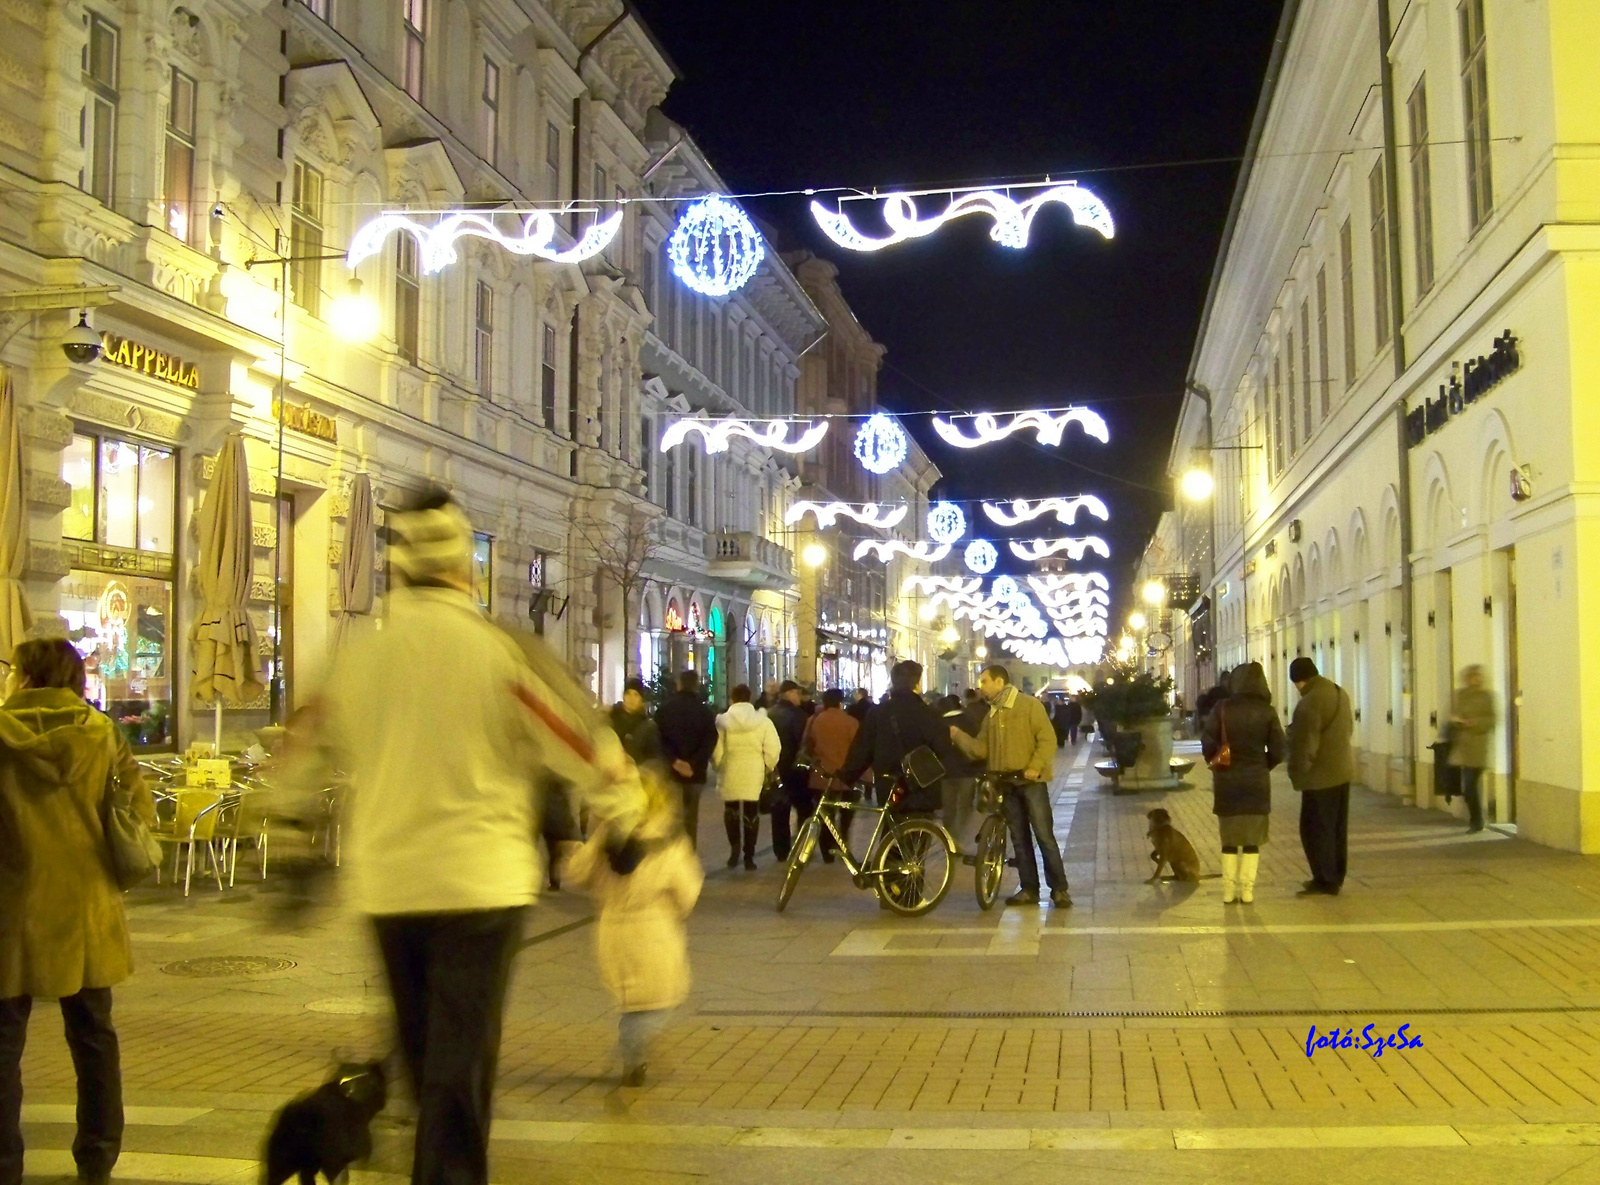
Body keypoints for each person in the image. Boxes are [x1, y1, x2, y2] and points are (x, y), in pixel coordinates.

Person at [308, 489, 644, 1185]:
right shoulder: (499, 655)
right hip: (479, 883)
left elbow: (299, 743)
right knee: (459, 1060)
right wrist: (626, 817)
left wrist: (284, 837)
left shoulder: (359, 659)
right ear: (466, 566)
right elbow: (581, 742)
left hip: (389, 884)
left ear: (398, 569)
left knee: (425, 1049)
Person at [1, 638, 152, 1185]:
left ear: (24, 675)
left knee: (3, 1046)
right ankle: (97, 1158)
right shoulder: (102, 734)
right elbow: (137, 808)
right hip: (87, 909)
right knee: (93, 1038)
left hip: (11, 910)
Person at [566, 770, 703, 1088]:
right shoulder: (669, 842)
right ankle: (631, 1050)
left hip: (612, 927)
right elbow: (687, 893)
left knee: (633, 999)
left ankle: (633, 1052)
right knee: (658, 1000)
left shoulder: (605, 836)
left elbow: (578, 874)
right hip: (653, 928)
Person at [949, 664, 1069, 908]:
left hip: (1030, 782)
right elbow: (982, 749)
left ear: (999, 682)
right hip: (1005, 782)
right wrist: (957, 736)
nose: (980, 687)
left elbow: (1047, 739)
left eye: (984, 681)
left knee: (1044, 835)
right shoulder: (992, 714)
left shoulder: (1028, 705)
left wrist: (1035, 766)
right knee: (1019, 838)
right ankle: (1029, 889)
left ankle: (1059, 890)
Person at [1201, 662, 1286, 904]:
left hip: (1227, 782)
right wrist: (1261, 765)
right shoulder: (1267, 711)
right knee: (1252, 840)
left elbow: (1207, 740)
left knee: (1228, 839)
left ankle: (1228, 891)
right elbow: (1279, 749)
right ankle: (1247, 891)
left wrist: (1217, 763)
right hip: (1256, 783)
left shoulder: (1222, 708)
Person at [839, 661, 951, 815]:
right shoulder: (928, 713)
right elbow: (942, 748)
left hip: (889, 784)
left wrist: (848, 775)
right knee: (919, 828)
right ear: (917, 684)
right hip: (921, 784)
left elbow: (863, 749)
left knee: (891, 829)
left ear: (893, 682)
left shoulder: (877, 713)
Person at [1287, 656, 1355, 897]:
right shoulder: (1339, 693)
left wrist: (1297, 773)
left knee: (1315, 829)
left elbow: (1305, 744)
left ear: (1299, 681)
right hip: (1343, 771)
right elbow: (1349, 728)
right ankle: (1335, 875)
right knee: (1337, 828)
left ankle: (1324, 879)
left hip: (1320, 777)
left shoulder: (1309, 703)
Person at [712, 684, 781, 869]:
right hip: (754, 770)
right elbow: (774, 748)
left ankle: (734, 851)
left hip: (730, 769)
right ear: (749, 698)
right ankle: (749, 855)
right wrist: (768, 765)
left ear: (732, 699)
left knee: (731, 811)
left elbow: (717, 749)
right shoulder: (763, 721)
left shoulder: (723, 722)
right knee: (752, 812)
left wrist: (717, 765)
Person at [655, 671, 718, 854]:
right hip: (695, 774)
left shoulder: (665, 709)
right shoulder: (704, 711)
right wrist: (693, 763)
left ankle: (670, 857)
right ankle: (688, 854)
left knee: (671, 817)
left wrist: (674, 761)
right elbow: (710, 740)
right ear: (696, 685)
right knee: (690, 818)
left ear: (680, 684)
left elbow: (658, 739)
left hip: (671, 773)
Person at [799, 689, 860, 861]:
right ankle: (843, 842)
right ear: (841, 702)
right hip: (846, 776)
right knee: (846, 815)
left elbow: (806, 744)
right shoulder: (851, 722)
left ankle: (827, 852)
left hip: (822, 775)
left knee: (826, 815)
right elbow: (857, 749)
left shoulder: (814, 721)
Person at [1449, 665, 1497, 833]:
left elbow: (1492, 720)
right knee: (1468, 787)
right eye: (1470, 677)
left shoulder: (1487, 697)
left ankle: (1477, 821)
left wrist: (1476, 723)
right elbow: (1454, 715)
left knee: (1470, 785)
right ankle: (1476, 819)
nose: (1473, 680)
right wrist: (1457, 721)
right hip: (1463, 747)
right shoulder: (1461, 695)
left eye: (1476, 676)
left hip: (1478, 747)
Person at [765, 681, 809, 860]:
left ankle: (781, 850)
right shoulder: (798, 715)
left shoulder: (769, 714)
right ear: (789, 693)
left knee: (779, 810)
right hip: (796, 768)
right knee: (804, 807)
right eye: (797, 693)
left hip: (776, 768)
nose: (799, 697)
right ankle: (803, 846)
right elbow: (803, 741)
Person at [938, 692, 986, 855]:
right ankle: (957, 838)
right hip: (967, 770)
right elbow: (977, 744)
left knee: (948, 807)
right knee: (964, 806)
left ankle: (949, 839)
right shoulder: (969, 720)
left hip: (945, 772)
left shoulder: (938, 723)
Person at [610, 678, 662, 768]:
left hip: (635, 776)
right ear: (623, 696)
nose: (631, 698)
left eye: (636, 695)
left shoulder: (648, 727)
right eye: (628, 694)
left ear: (641, 700)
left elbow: (654, 757)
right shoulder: (611, 719)